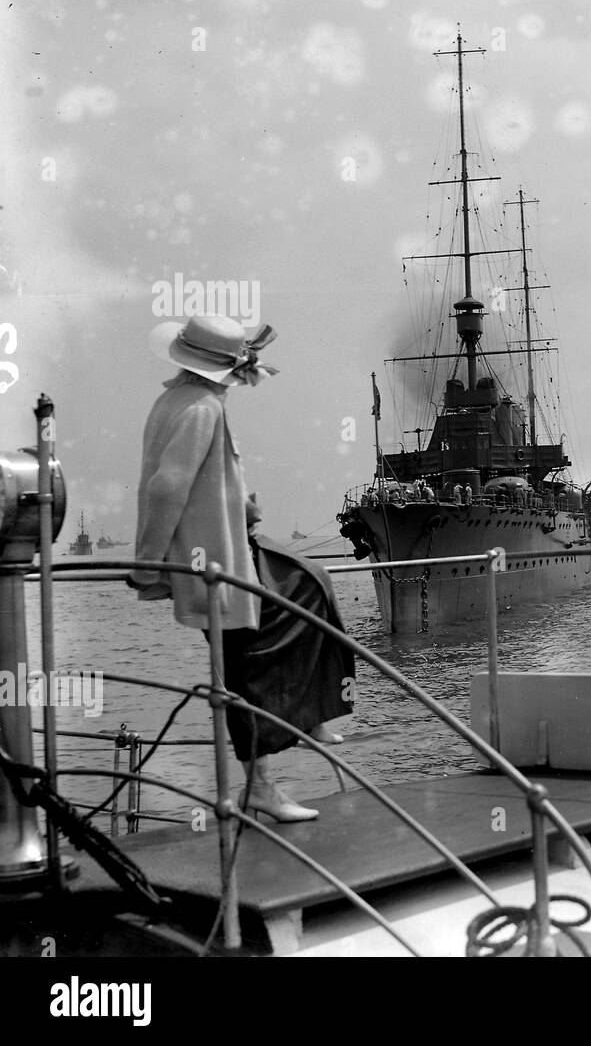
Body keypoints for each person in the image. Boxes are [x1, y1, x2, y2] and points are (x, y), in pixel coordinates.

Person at [130, 315, 352, 823]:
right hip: (211, 563)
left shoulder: (182, 401)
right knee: (250, 665)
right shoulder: (200, 408)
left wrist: (240, 506)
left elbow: (201, 479)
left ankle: (311, 714)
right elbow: (167, 487)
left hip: (231, 545)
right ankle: (261, 787)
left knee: (309, 584)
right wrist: (148, 566)